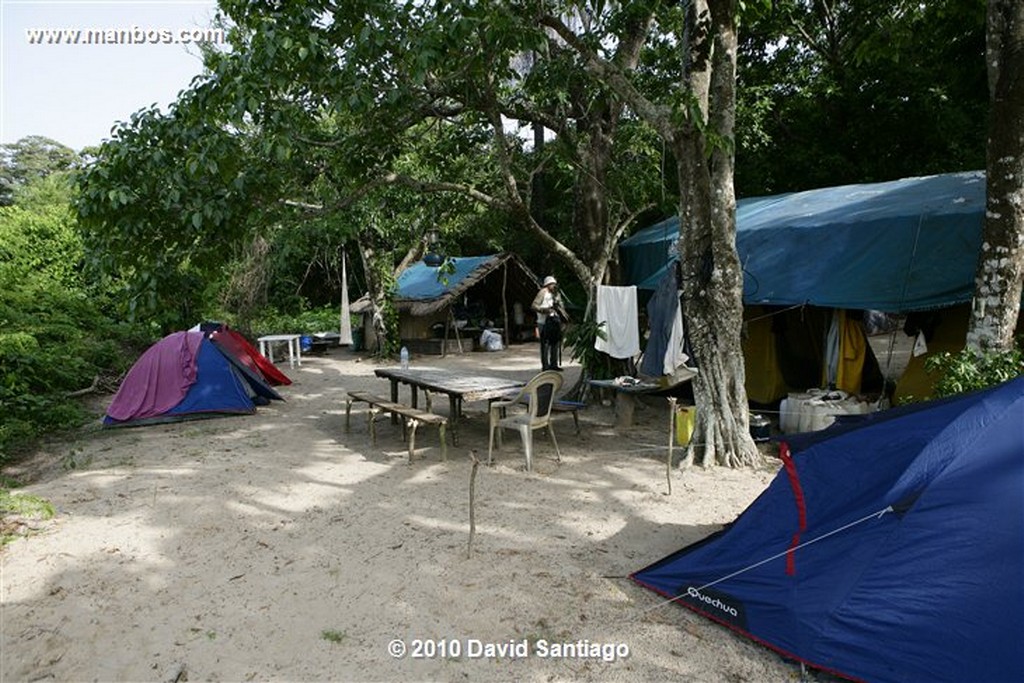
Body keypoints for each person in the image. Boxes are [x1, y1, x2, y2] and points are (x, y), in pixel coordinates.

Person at [532, 275, 564, 371]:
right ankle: (545, 366)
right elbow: (534, 305)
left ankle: (554, 364)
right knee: (545, 345)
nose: (554, 286)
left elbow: (561, 306)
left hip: (554, 321)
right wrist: (544, 310)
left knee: (555, 343)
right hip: (543, 322)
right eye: (552, 284)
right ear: (547, 285)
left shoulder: (556, 294)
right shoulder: (542, 293)